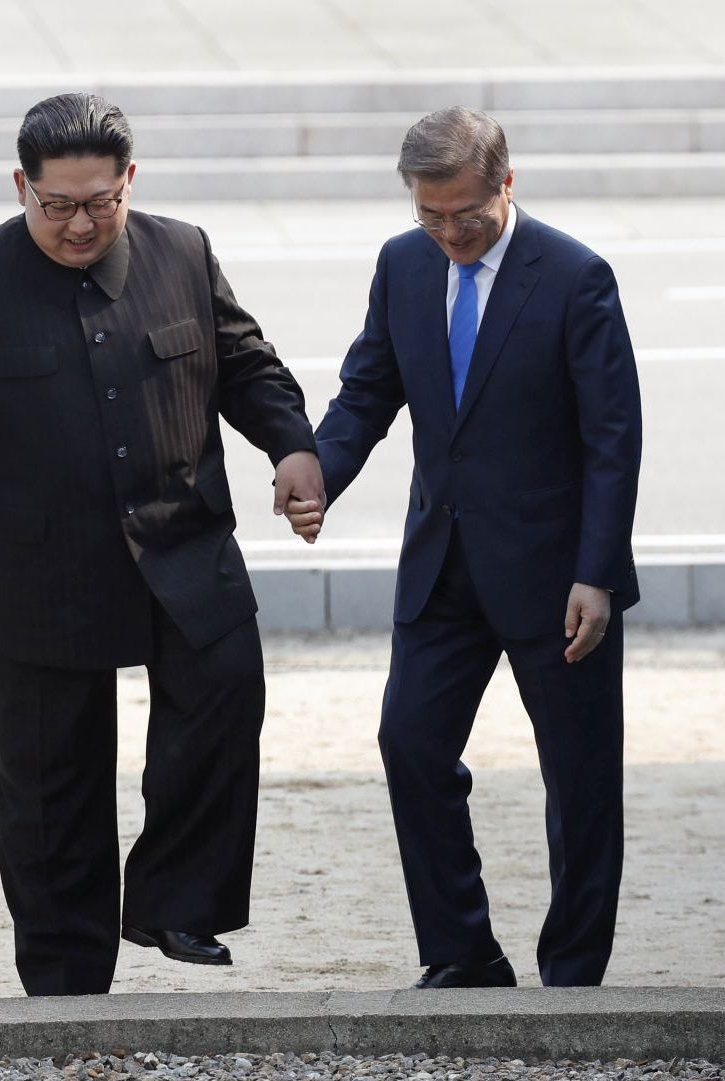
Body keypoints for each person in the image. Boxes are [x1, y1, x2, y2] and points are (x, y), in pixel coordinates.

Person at [0, 92, 323, 996]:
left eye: (99, 201)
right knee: (47, 781)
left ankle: (171, 900)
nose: (77, 223)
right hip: (36, 570)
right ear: (19, 187)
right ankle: (63, 983)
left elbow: (246, 362)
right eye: (55, 204)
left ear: (129, 181)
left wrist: (293, 444)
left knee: (222, 701)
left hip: (181, 544)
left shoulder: (183, 252)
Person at [287, 107, 642, 989]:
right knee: (408, 743)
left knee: (581, 783)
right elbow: (367, 389)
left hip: (557, 578)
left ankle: (572, 975)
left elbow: (613, 438)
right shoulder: (402, 264)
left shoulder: (573, 276)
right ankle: (463, 952)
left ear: (505, 186)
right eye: (430, 215)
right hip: (441, 566)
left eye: (466, 216)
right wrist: (319, 472)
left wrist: (597, 572)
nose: (448, 233)